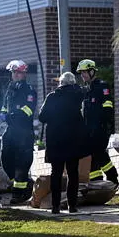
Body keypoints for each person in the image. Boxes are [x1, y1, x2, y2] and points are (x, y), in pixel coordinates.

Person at [38, 72, 86, 214]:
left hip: (55, 141)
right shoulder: (77, 95)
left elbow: (41, 117)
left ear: (61, 83)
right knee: (73, 173)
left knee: (56, 174)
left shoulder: (52, 97)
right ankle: (72, 206)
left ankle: (55, 207)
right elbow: (83, 92)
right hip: (73, 140)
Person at [0, 59, 37, 204]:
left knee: (21, 162)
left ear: (23, 73)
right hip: (11, 129)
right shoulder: (10, 89)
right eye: (13, 72)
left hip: (24, 131)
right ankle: (22, 183)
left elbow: (28, 110)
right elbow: (5, 107)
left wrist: (9, 116)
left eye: (17, 72)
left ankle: (19, 194)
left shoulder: (29, 90)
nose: (14, 75)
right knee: (5, 157)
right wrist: (1, 115)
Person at [76, 59, 119, 188]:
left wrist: (103, 126)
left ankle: (113, 179)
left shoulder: (102, 86)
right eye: (81, 73)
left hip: (100, 129)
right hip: (89, 131)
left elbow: (108, 108)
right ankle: (96, 183)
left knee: (100, 155)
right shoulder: (87, 90)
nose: (82, 75)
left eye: (84, 72)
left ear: (92, 71)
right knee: (92, 158)